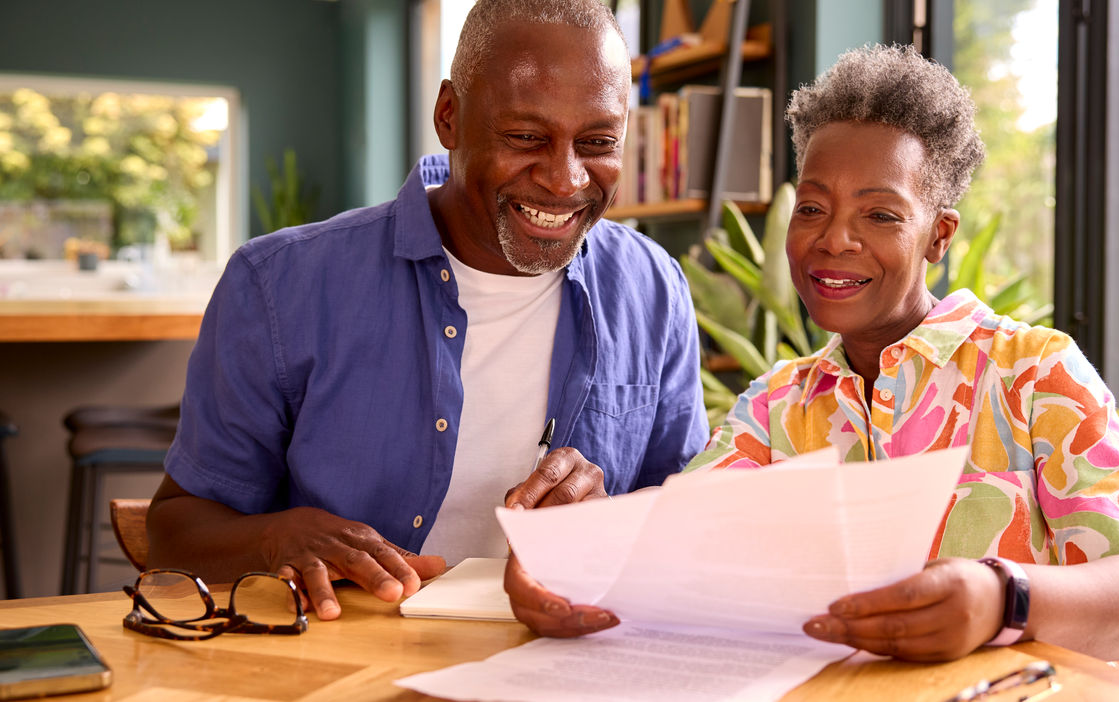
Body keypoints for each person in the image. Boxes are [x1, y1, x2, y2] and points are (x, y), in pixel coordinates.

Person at [507, 44, 1119, 663]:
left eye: (881, 214)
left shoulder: (1033, 373)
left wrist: (1003, 599)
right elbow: (681, 554)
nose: (834, 240)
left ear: (939, 236)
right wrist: (580, 556)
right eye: (812, 208)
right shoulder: (778, 405)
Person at [146, 0, 708, 622]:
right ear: (449, 116)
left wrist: (613, 526)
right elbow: (175, 531)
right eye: (526, 137)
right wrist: (279, 536)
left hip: (566, 659)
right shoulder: (279, 284)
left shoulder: (654, 286)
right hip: (342, 661)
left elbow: (687, 514)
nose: (564, 178)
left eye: (598, 143)